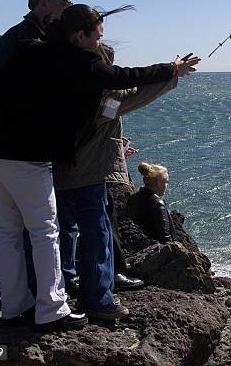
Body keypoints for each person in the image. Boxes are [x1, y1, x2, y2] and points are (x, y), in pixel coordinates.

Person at [0, 3, 200, 327]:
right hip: (56, 167)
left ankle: (28, 301)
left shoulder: (39, 53)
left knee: (19, 232)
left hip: (6, 154)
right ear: (80, 36)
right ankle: (87, 300)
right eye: (96, 38)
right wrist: (171, 72)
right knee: (76, 232)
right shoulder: (90, 76)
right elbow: (126, 87)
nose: (98, 45)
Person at [54, 42, 179, 297]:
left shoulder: (70, 89)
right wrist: (171, 73)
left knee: (69, 228)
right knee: (97, 230)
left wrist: (118, 151)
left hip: (64, 169)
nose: (111, 72)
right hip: (85, 174)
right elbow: (131, 97)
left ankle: (69, 280)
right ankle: (100, 292)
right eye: (108, 66)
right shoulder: (102, 97)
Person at [0, 0, 73, 299]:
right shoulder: (34, 43)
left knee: (6, 232)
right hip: (23, 152)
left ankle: (14, 306)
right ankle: (52, 306)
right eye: (65, 4)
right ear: (44, 3)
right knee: (44, 230)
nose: (68, 10)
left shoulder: (10, 37)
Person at [126, 162, 177, 244]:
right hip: (157, 249)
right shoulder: (158, 204)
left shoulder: (133, 198)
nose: (167, 185)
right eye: (166, 182)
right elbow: (165, 237)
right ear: (158, 183)